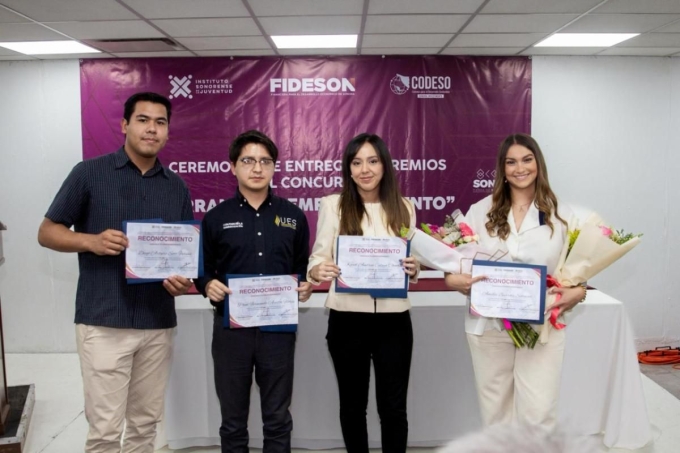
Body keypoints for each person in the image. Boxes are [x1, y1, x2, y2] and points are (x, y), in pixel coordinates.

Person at [37, 92, 194, 453]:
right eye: (143, 120)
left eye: (160, 122)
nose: (151, 129)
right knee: (105, 432)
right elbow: (47, 231)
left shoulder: (176, 186)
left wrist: (181, 281)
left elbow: (183, 255)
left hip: (157, 323)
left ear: (168, 131)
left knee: (145, 427)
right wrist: (90, 241)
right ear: (125, 125)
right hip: (105, 321)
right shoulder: (89, 173)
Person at [444, 133, 584, 428]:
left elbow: (577, 271)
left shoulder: (562, 215)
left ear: (538, 164)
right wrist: (454, 280)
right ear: (502, 169)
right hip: (489, 326)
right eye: (511, 162)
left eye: (527, 160)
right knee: (495, 415)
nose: (520, 168)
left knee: (539, 414)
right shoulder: (479, 212)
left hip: (542, 324)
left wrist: (578, 292)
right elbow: (456, 266)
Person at [195, 130, 312, 453]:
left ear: (274, 167)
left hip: (278, 331)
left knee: (278, 418)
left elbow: (301, 266)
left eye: (265, 161)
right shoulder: (216, 218)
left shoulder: (293, 216)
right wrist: (207, 284)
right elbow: (202, 270)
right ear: (233, 167)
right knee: (233, 420)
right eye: (248, 161)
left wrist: (304, 285)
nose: (257, 168)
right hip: (231, 332)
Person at [307, 133, 419, 453]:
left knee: (393, 408)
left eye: (372, 161)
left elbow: (411, 260)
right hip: (347, 318)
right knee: (353, 406)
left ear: (384, 165)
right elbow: (317, 257)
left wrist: (414, 268)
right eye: (356, 163)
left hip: (394, 320)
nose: (364, 169)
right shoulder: (333, 205)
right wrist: (318, 270)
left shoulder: (405, 207)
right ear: (349, 168)